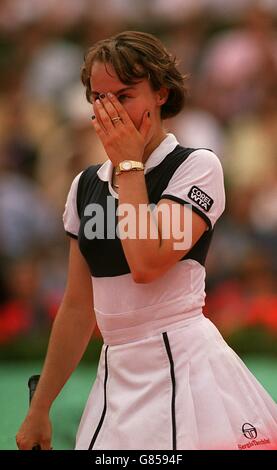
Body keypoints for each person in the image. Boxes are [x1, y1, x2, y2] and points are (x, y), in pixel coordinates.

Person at [16, 31, 277, 451]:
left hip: (185, 369)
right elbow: (78, 306)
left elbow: (146, 263)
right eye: (99, 98)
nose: (111, 111)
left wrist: (130, 165)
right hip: (115, 376)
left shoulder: (196, 166)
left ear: (161, 93)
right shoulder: (85, 186)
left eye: (125, 96)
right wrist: (40, 407)